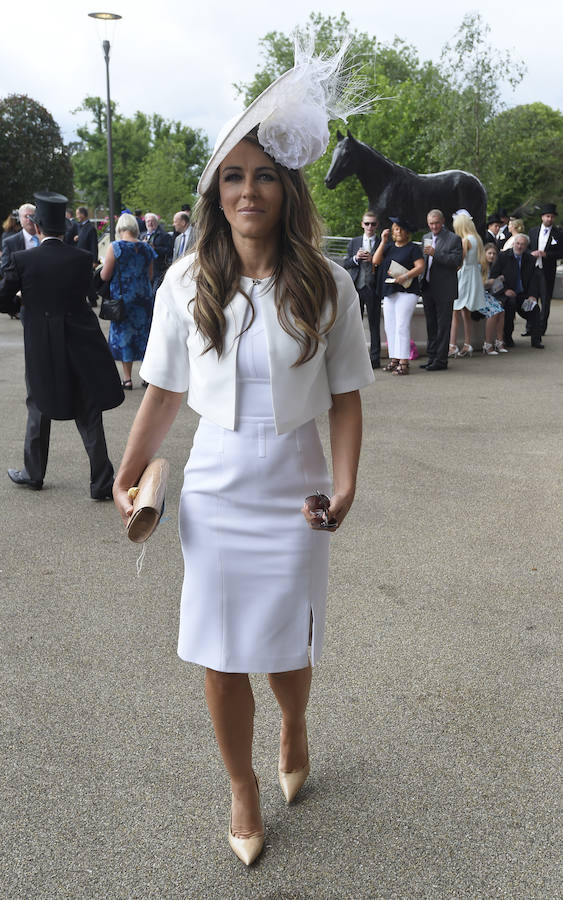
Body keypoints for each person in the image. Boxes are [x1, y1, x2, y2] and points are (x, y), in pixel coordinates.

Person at [112, 44, 374, 867]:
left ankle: (295, 724)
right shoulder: (185, 282)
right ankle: (241, 786)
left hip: (297, 496)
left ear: (285, 190)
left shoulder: (329, 284)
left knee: (287, 647)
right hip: (218, 497)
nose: (248, 190)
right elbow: (160, 389)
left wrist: (346, 485)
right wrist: (128, 470)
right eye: (232, 175)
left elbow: (344, 399)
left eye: (263, 175)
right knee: (220, 652)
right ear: (215, 192)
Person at [0, 191, 123, 495]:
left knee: (38, 403)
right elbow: (90, 291)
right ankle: (101, 481)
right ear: (65, 227)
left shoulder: (22, 259)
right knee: (88, 408)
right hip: (81, 341)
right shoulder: (81, 259)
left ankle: (34, 473)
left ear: (37, 226)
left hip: (41, 342)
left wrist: (22, 308)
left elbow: (3, 298)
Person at [100, 213, 157, 390]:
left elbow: (105, 275)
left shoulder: (115, 247)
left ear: (120, 228)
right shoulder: (147, 247)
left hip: (123, 300)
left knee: (125, 336)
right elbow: (151, 275)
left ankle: (127, 379)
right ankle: (147, 377)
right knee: (145, 335)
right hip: (144, 298)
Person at [371, 216, 424, 375]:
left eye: (401, 229)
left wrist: (406, 276)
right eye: (395, 229)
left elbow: (420, 267)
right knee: (390, 326)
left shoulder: (413, 248)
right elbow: (375, 260)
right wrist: (383, 241)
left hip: (406, 291)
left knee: (401, 325)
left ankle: (404, 361)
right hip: (389, 291)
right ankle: (394, 358)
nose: (398, 231)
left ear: (407, 232)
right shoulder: (389, 247)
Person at [420, 209, 463, 371]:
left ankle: (441, 360)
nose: (434, 226)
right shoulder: (425, 237)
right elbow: (423, 261)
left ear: (443, 221)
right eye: (431, 223)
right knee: (431, 324)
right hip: (428, 286)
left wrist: (435, 254)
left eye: (436, 223)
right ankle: (431, 356)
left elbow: (456, 261)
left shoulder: (454, 239)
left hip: (445, 288)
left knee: (443, 325)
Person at [489, 234, 544, 348]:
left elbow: (534, 280)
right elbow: (494, 277)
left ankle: (536, 340)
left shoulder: (530, 259)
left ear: (526, 246)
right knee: (510, 304)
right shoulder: (502, 256)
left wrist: (532, 295)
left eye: (522, 245)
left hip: (523, 295)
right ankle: (507, 338)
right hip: (507, 294)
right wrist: (504, 290)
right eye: (517, 243)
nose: (519, 247)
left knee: (534, 308)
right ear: (513, 243)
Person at [342, 210, 382, 368]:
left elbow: (386, 265)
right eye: (367, 223)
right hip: (356, 287)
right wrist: (356, 258)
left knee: (374, 324)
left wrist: (374, 260)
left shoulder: (382, 242)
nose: (370, 227)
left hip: (373, 287)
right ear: (362, 224)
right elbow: (346, 263)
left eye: (373, 224)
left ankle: (375, 359)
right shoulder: (355, 242)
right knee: (354, 324)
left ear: (377, 225)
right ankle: (355, 358)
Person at [449, 211, 487, 359]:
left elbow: (459, 260)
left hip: (464, 276)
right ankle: (467, 343)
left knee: (455, 310)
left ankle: (452, 345)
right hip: (472, 275)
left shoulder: (465, 240)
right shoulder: (476, 238)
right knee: (466, 312)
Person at [528, 203, 562, 335]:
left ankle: (541, 329)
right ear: (542, 217)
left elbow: (561, 252)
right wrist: (532, 253)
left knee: (545, 299)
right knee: (531, 298)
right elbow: (527, 248)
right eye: (547, 216)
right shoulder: (533, 231)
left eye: (552, 217)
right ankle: (529, 326)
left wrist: (546, 254)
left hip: (547, 270)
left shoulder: (558, 233)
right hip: (533, 269)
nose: (549, 219)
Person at [477, 242, 507, 355]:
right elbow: (476, 283)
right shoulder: (479, 265)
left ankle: (499, 342)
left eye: (494, 254)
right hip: (477, 295)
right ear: (484, 253)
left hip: (486, 294)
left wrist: (497, 280)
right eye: (489, 253)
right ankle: (488, 344)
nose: (492, 256)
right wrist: (488, 282)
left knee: (501, 311)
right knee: (494, 312)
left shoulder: (491, 266)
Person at [1, 203, 38, 273]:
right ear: (20, 220)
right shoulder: (10, 243)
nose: (29, 219)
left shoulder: (47, 238)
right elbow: (4, 270)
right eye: (26, 216)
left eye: (32, 216)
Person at [140, 212, 172, 291]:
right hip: (144, 271)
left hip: (158, 270)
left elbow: (169, 251)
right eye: (148, 221)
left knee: (155, 294)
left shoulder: (164, 235)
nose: (150, 223)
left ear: (156, 222)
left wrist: (155, 248)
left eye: (152, 221)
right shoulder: (142, 235)